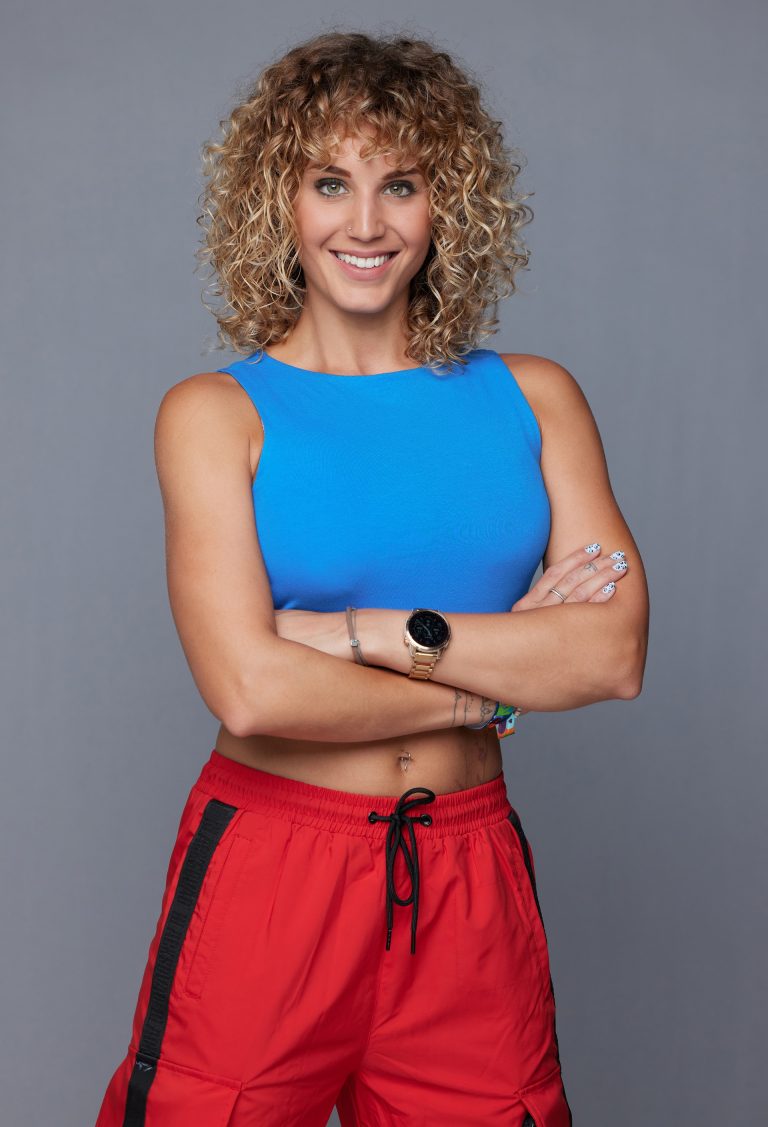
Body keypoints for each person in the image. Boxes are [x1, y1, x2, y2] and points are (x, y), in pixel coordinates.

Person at [94, 29, 648, 1127]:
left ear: (448, 205)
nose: (365, 223)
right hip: (272, 868)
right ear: (280, 202)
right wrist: (491, 689)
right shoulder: (214, 413)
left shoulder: (536, 397)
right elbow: (253, 689)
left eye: (401, 184)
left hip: (468, 874)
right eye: (330, 183)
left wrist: (366, 631)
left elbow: (612, 653)